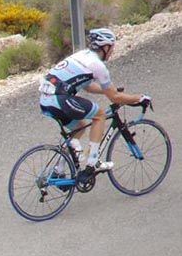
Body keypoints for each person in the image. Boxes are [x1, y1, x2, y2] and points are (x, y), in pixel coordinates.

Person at [38, 27, 151, 184]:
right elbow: (115, 98)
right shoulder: (98, 66)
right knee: (100, 115)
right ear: (105, 47)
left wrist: (108, 91)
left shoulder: (81, 55)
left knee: (80, 127)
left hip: (46, 100)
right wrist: (138, 98)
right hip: (59, 99)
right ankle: (93, 162)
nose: (112, 51)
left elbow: (88, 86)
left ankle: (58, 171)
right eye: (112, 47)